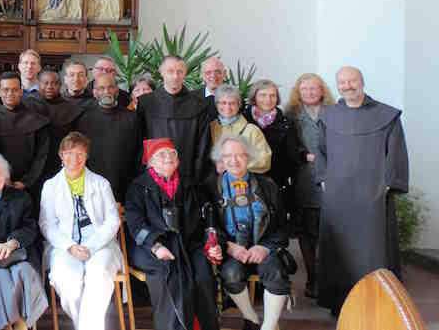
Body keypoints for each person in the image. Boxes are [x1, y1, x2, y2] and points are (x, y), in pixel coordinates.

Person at [317, 66, 408, 315]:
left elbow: (396, 151)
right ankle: (341, 303)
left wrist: (388, 183)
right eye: (342, 82)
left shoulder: (386, 115)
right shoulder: (328, 116)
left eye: (352, 81)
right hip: (339, 197)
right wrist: (324, 179)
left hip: (372, 196)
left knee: (372, 251)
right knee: (340, 250)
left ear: (362, 82)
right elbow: (321, 152)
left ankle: (376, 299)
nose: (347, 85)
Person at [124, 138, 219, 330]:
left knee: (202, 273)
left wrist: (212, 242)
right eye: (161, 154)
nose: (168, 157)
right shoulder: (138, 186)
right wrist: (156, 246)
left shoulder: (190, 184)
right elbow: (135, 224)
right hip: (149, 246)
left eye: (172, 153)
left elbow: (206, 216)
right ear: (150, 161)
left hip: (188, 243)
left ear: (178, 159)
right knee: (169, 273)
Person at [207, 135, 291, 330]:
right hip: (231, 251)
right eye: (228, 155)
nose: (234, 160)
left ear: (249, 157)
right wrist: (227, 246)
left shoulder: (268, 186)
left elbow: (283, 226)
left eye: (240, 155)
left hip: (263, 248)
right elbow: (207, 227)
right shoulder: (211, 188)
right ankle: (251, 319)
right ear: (221, 159)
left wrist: (265, 247)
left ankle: (269, 326)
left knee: (276, 272)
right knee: (231, 273)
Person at [39, 132, 122, 330]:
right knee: (65, 279)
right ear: (60, 155)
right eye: (68, 153)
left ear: (86, 156)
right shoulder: (51, 186)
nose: (74, 159)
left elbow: (112, 220)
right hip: (64, 243)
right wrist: (69, 246)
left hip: (99, 242)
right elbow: (47, 224)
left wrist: (91, 246)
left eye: (79, 154)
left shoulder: (101, 183)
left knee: (99, 275)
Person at [0, 153, 48, 330]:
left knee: (23, 271)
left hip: (17, 256)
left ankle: (19, 324)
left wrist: (12, 243)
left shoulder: (21, 198)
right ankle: (11, 325)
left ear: (6, 176)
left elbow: (30, 228)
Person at [283, 73, 335, 299]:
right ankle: (312, 279)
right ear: (298, 92)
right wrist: (303, 155)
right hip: (303, 178)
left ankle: (329, 279)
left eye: (314, 88)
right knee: (306, 232)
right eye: (305, 89)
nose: (310, 93)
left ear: (322, 90)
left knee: (329, 231)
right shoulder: (290, 114)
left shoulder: (335, 112)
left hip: (331, 178)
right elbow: (284, 147)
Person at [137, 56, 214, 185]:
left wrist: (196, 177)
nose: (175, 76)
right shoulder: (146, 102)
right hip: (153, 174)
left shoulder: (199, 105)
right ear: (161, 72)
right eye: (170, 71)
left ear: (185, 73)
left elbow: (203, 146)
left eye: (180, 71)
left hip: (188, 175)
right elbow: (139, 141)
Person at [73, 72, 143, 202]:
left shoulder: (132, 117)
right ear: (94, 92)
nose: (106, 91)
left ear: (117, 90)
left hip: (126, 184)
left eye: (110, 87)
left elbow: (139, 152)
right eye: (101, 88)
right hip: (92, 185)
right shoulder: (83, 119)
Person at [0, 73, 51, 200]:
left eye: (15, 90)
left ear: (21, 91)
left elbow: (42, 156)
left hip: (31, 186)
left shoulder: (37, 121)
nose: (10, 93)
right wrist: (1, 178)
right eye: (6, 90)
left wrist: (26, 181)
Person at [244, 79, 300, 206]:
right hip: (245, 180)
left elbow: (291, 157)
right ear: (254, 97)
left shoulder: (286, 123)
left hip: (275, 182)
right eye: (263, 95)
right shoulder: (242, 119)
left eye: (272, 96)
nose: (268, 99)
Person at [25, 69, 84, 179]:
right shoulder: (28, 105)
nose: (50, 87)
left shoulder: (70, 108)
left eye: (54, 83)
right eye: (45, 83)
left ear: (60, 85)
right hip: (33, 164)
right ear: (38, 84)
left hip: (61, 163)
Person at [210, 85, 272, 174]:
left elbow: (265, 160)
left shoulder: (252, 131)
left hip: (245, 183)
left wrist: (235, 166)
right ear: (216, 105)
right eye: (223, 103)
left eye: (232, 103)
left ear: (239, 105)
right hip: (213, 184)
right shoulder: (210, 128)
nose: (227, 107)